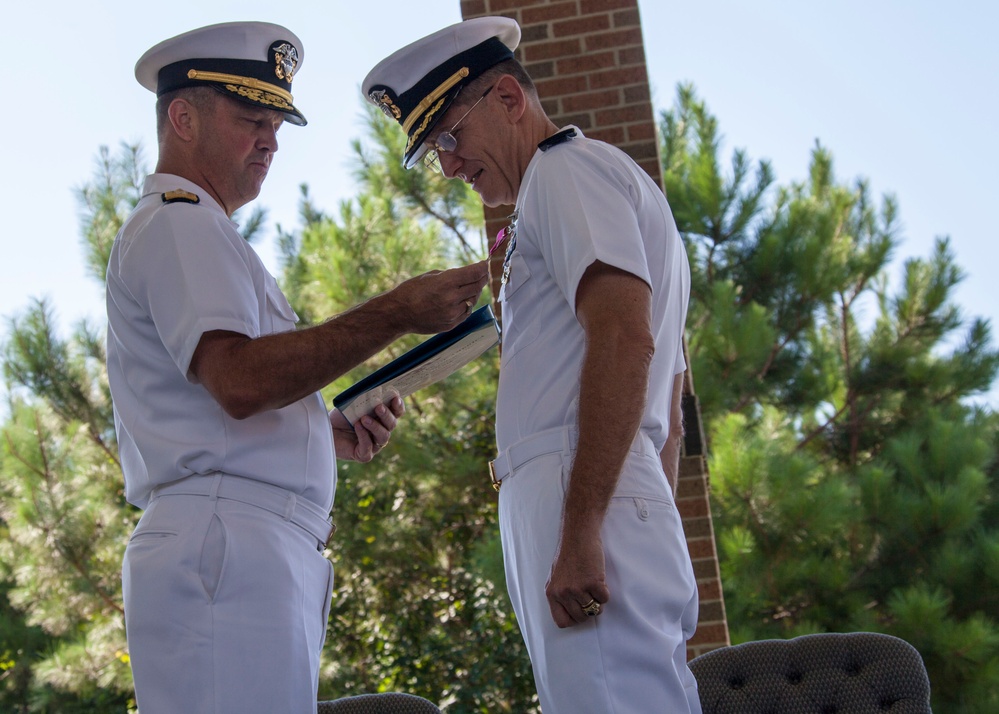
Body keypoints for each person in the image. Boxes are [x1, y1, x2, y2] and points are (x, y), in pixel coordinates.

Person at [106, 21, 488, 714]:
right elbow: (241, 380)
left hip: (246, 540)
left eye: (277, 125)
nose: (269, 141)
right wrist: (396, 311)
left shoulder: (201, 228)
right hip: (229, 541)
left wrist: (318, 433)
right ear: (181, 118)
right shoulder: (181, 219)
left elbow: (229, 398)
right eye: (251, 118)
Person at [363, 16, 701, 714]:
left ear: (510, 100)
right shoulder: (594, 183)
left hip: (579, 485)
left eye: (449, 137)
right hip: (607, 488)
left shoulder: (562, 169)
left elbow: (622, 338)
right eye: (434, 152)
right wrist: (642, 520)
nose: (449, 165)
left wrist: (582, 532)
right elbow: (663, 407)